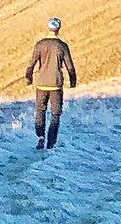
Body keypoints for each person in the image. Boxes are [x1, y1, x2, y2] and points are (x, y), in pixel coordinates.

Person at [23, 17, 79, 149]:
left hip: (41, 83)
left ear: (49, 28)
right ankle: (51, 142)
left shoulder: (40, 45)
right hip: (56, 85)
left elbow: (31, 64)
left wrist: (28, 77)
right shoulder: (62, 46)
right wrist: (73, 81)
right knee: (55, 114)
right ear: (58, 29)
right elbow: (70, 66)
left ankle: (40, 137)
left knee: (40, 110)